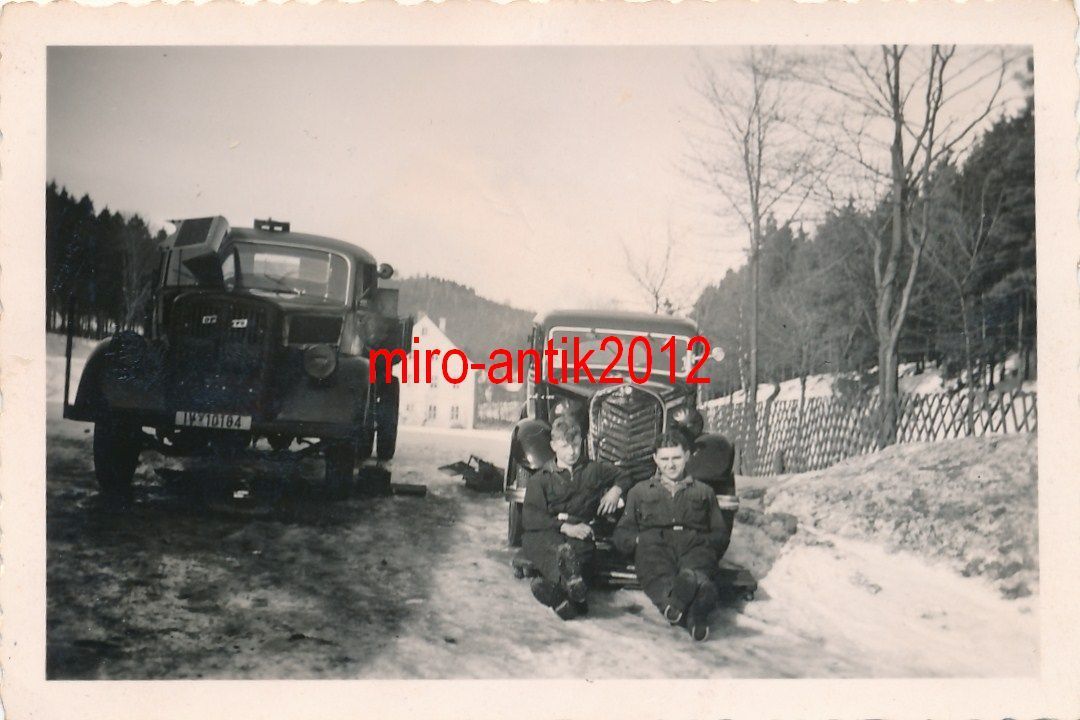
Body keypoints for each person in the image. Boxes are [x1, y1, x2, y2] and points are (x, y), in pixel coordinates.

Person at [613, 429, 732, 641]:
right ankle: (695, 615)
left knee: (699, 576)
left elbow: (720, 533)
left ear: (687, 456)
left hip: (694, 545)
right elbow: (623, 532)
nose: (671, 464)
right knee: (659, 577)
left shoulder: (704, 492)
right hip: (655, 545)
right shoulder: (639, 491)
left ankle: (679, 604)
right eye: (665, 459)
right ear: (655, 459)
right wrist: (639, 541)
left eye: (676, 457)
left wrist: (705, 544)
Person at [521, 415, 634, 619]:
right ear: (553, 446)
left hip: (579, 529)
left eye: (576, 444)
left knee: (579, 552)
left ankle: (562, 598)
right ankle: (576, 596)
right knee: (550, 550)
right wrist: (563, 527)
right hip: (548, 531)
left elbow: (625, 475)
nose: (572, 452)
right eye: (565, 446)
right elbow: (531, 517)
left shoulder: (593, 470)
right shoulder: (541, 479)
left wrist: (616, 490)